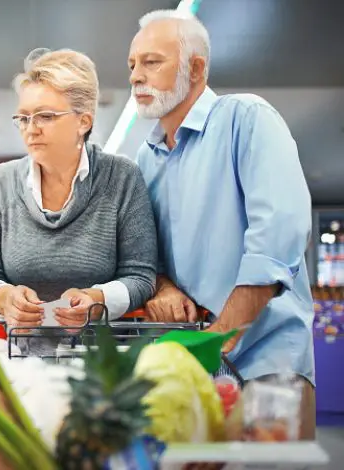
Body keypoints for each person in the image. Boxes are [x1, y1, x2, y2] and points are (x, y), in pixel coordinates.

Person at [129, 10, 316, 438]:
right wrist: (163, 285)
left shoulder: (245, 119)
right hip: (194, 368)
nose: (137, 76)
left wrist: (222, 336)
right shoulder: (146, 158)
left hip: (268, 367)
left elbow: (278, 236)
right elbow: (147, 250)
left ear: (196, 68)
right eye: (132, 65)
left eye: (151, 62)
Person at [0, 48, 157, 356]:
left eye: (46, 116)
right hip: (17, 360)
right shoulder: (1, 182)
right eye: (24, 118)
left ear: (83, 121)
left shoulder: (122, 177)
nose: (31, 129)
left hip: (102, 360)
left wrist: (98, 300)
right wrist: (2, 297)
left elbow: (141, 276)